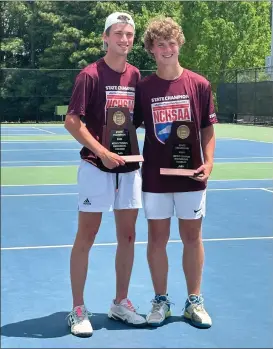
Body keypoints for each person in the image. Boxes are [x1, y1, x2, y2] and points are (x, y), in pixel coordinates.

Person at [64, 12, 146, 337]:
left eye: (129, 35)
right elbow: (72, 121)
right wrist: (102, 152)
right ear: (105, 37)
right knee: (87, 236)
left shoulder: (136, 76)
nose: (124, 40)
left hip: (129, 169)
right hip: (96, 168)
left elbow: (136, 119)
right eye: (118, 34)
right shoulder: (90, 76)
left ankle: (120, 302)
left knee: (128, 236)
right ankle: (78, 308)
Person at [133, 17, 218, 328]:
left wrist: (208, 164)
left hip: (192, 177)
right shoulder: (143, 88)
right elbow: (129, 128)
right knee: (157, 238)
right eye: (160, 44)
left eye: (171, 42)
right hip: (155, 177)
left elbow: (208, 130)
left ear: (179, 44)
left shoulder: (199, 84)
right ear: (151, 50)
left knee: (192, 237)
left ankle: (194, 301)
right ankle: (161, 300)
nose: (167, 49)